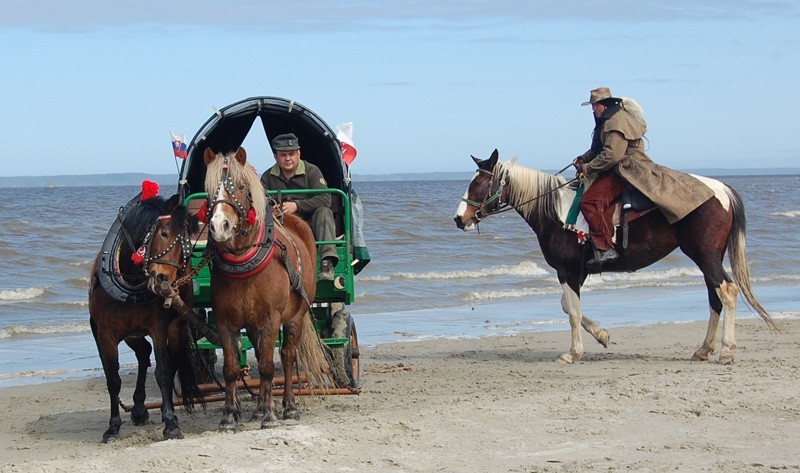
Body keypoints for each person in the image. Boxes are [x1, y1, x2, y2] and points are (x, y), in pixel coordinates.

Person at [573, 87, 714, 266]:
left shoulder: (616, 122)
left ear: (604, 104)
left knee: (590, 202)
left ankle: (605, 248)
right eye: (592, 106)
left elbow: (612, 155)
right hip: (618, 167)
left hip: (624, 171)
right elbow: (598, 148)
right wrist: (583, 159)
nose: (593, 109)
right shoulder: (610, 119)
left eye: (595, 105)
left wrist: (588, 168)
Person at [261, 133, 338, 280]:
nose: (288, 158)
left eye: (291, 154)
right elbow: (261, 201)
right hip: (281, 224)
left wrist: (297, 205)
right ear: (276, 157)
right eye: (283, 155)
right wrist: (272, 209)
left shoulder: (312, 171)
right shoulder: (267, 176)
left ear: (298, 153)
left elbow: (325, 198)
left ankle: (327, 262)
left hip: (309, 220)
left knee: (324, 212)